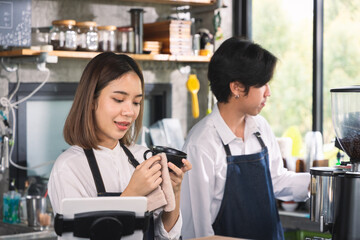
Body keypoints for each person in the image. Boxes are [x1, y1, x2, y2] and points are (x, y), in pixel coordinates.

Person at [48, 52, 192, 239]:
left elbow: (166, 235)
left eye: (136, 102)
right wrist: (133, 194)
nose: (130, 112)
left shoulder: (142, 157)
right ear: (92, 101)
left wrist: (174, 191)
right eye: (118, 99)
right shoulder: (69, 167)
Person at [180, 37, 310, 240]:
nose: (269, 92)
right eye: (262, 84)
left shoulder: (260, 128)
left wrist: (322, 183)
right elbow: (197, 232)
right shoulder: (201, 144)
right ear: (237, 87)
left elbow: (276, 179)